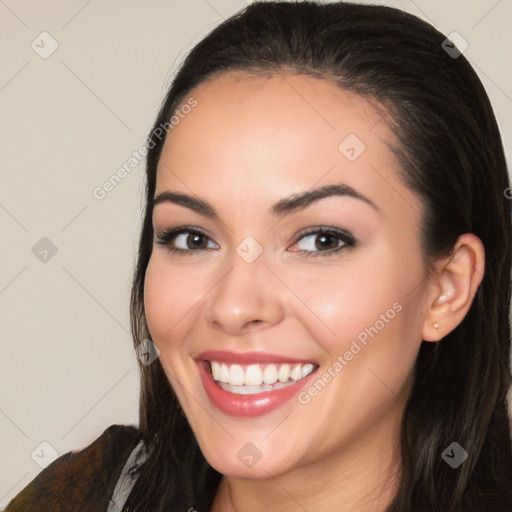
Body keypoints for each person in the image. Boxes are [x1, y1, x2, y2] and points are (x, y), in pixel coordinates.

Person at [5, 1, 512, 511]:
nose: (233, 305)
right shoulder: (76, 498)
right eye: (192, 238)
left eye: (321, 240)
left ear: (447, 287)